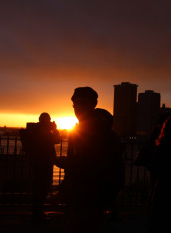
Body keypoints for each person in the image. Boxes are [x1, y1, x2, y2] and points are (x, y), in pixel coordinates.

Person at [63, 87, 121, 233]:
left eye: (80, 104)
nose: (77, 109)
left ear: (91, 105)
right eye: (75, 105)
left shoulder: (91, 131)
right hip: (89, 197)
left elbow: (91, 164)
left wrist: (67, 164)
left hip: (88, 197)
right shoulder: (100, 130)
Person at [20, 112, 60, 221]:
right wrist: (55, 129)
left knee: (39, 186)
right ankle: (38, 212)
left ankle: (37, 211)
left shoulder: (36, 130)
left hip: (38, 161)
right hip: (44, 161)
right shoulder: (44, 131)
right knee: (43, 186)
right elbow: (57, 140)